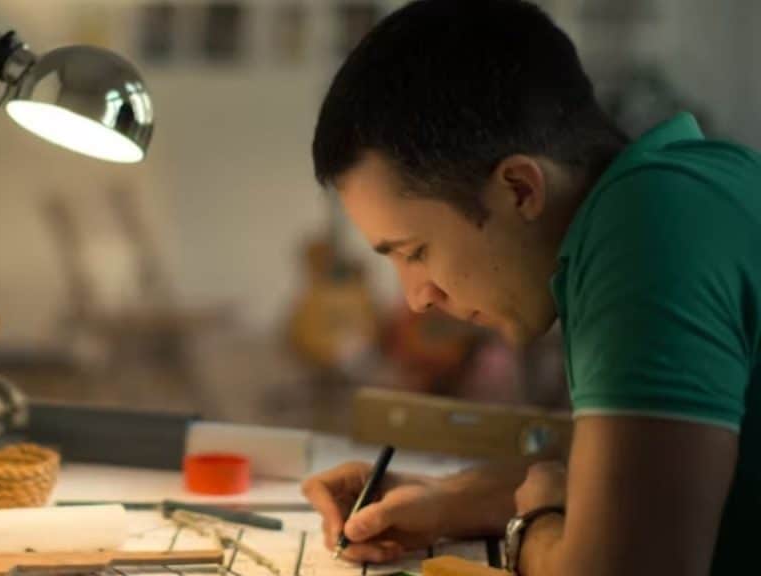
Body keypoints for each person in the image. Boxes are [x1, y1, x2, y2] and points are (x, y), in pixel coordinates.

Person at [301, 1, 761, 575]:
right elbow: (631, 468)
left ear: (519, 188)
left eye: (415, 253)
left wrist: (534, 528)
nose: (418, 296)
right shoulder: (694, 182)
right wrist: (446, 500)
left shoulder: (647, 225)